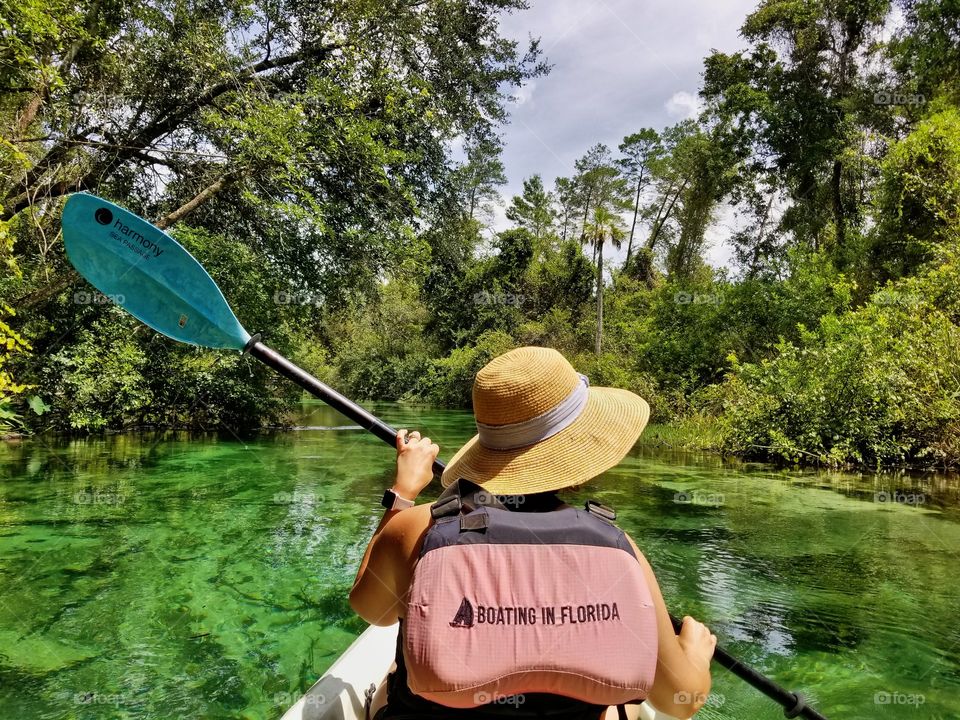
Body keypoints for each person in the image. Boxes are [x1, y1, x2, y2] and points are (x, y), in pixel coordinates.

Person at [350, 347, 716, 720]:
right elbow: (679, 700)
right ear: (580, 451)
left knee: (390, 677)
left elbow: (372, 612)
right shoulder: (618, 550)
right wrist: (695, 653)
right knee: (629, 711)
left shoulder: (419, 528)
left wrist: (403, 494)